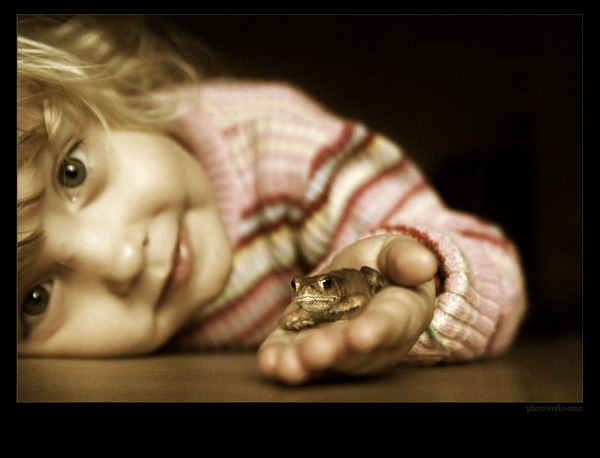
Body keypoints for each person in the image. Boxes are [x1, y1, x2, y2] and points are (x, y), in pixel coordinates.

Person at [17, 15, 527, 385]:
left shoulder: (292, 156)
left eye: (71, 173)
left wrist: (418, 286)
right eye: (34, 299)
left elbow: (495, 266)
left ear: (103, 97)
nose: (124, 259)